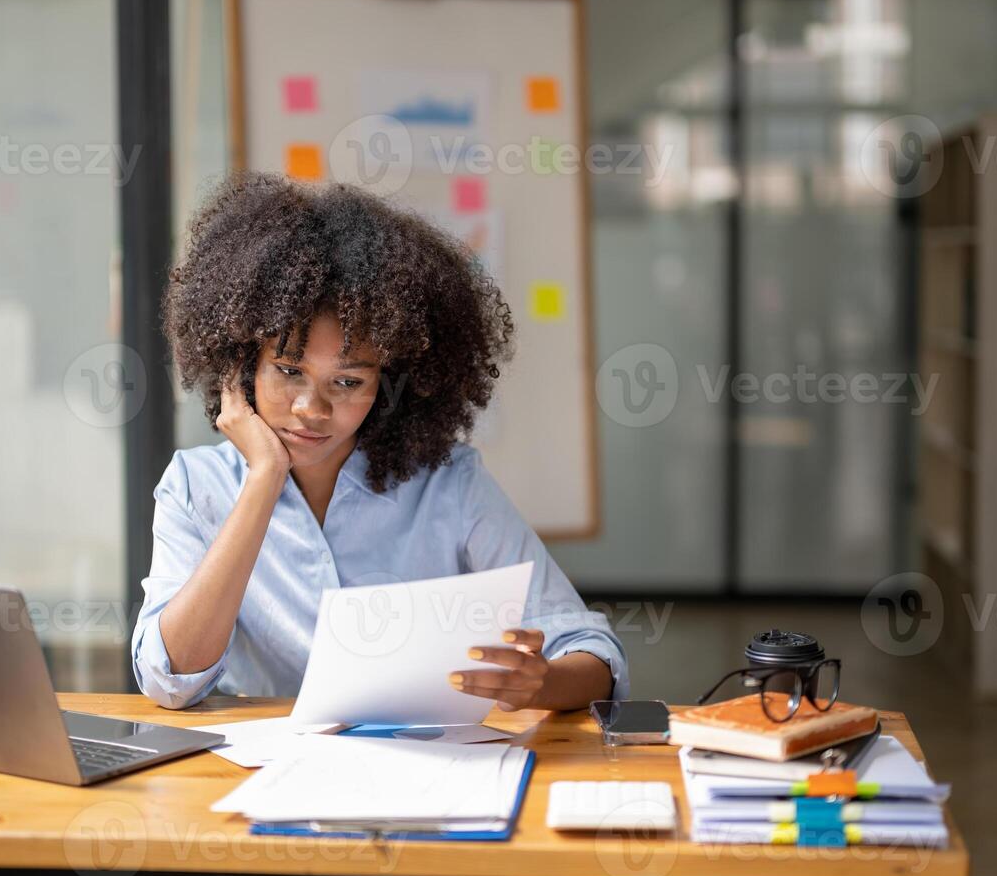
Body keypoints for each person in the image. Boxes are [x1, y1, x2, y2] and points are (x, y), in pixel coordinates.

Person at [131, 171, 628, 712]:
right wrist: (264, 479)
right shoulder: (194, 486)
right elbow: (169, 680)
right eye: (289, 371)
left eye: (348, 382)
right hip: (246, 780)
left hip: (420, 772)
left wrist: (543, 682)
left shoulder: (448, 484)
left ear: (393, 385)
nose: (312, 409)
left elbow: (592, 652)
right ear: (239, 366)